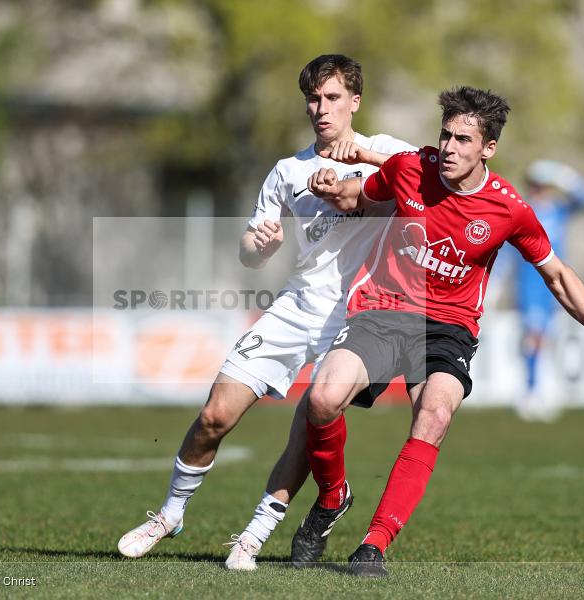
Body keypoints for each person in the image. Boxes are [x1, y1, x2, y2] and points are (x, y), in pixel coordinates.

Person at [291, 86, 584, 577]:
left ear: (488, 148)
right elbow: (361, 197)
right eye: (445, 136)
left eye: (462, 139)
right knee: (322, 400)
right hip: (385, 310)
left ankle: (373, 545)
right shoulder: (410, 168)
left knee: (434, 413)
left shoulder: (509, 210)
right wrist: (333, 187)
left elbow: (557, 275)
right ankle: (332, 499)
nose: (450, 149)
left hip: (449, 327)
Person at [116, 54, 416, 570]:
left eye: (333, 98)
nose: (321, 109)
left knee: (310, 420)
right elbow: (251, 253)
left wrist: (363, 154)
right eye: (313, 99)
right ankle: (170, 514)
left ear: (355, 101)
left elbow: (431, 177)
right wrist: (258, 243)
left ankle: (253, 537)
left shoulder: (387, 150)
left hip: (360, 318)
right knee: (215, 414)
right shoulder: (287, 171)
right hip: (296, 306)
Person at [512, 160, 584, 421]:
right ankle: (530, 392)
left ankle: (538, 390)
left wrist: (565, 176)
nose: (542, 190)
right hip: (530, 283)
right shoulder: (523, 211)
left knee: (545, 338)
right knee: (534, 336)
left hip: (556, 284)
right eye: (538, 185)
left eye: (546, 185)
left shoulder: (558, 211)